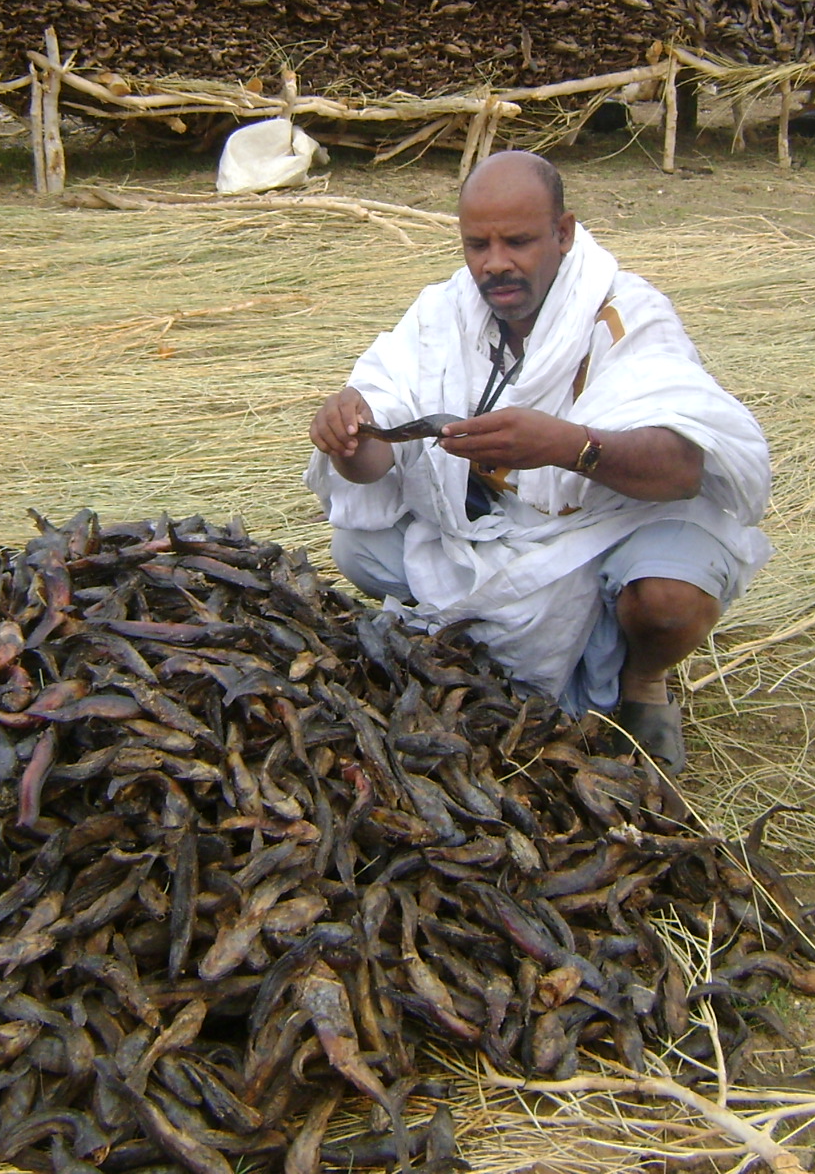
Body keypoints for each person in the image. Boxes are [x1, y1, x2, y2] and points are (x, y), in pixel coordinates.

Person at [305, 151, 771, 772]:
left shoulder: (623, 313)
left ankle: (643, 680)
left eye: (518, 241)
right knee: (354, 545)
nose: (494, 264)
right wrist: (350, 435)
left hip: (614, 525)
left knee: (667, 601)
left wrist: (564, 446)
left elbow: (682, 466)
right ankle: (501, 650)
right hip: (500, 533)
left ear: (563, 232)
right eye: (477, 245)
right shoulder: (444, 313)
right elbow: (375, 458)